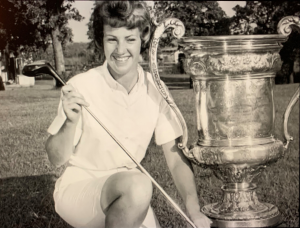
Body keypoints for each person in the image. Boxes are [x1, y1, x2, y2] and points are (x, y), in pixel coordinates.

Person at [46, 1, 212, 228]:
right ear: (100, 41)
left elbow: (175, 159)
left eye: (130, 39)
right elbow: (56, 159)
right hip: (82, 187)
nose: (121, 50)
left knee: (136, 187)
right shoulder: (81, 85)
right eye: (112, 39)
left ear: (143, 39)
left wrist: (194, 212)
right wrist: (69, 123)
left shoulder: (156, 88)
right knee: (138, 186)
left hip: (131, 191)